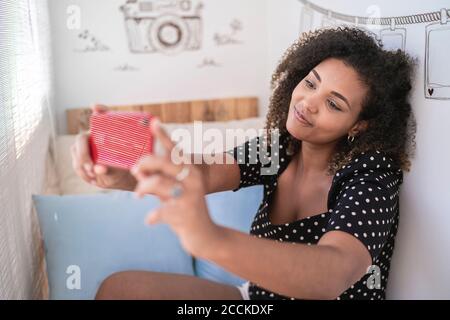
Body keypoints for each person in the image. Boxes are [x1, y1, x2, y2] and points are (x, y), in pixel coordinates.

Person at [71, 27, 417, 300]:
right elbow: (202, 173)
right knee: (122, 290)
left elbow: (334, 273)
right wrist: (120, 173)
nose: (308, 103)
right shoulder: (281, 148)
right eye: (310, 83)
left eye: (334, 104)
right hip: (258, 297)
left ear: (360, 125)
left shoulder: (371, 174)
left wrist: (210, 239)